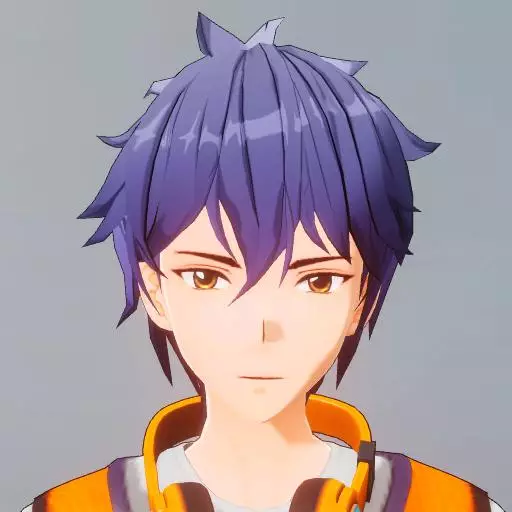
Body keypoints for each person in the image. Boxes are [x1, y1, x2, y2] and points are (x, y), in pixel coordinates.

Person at [21, 13, 504, 512]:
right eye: (207, 276)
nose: (262, 327)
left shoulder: (452, 505)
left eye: (317, 280)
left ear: (360, 296)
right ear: (153, 290)